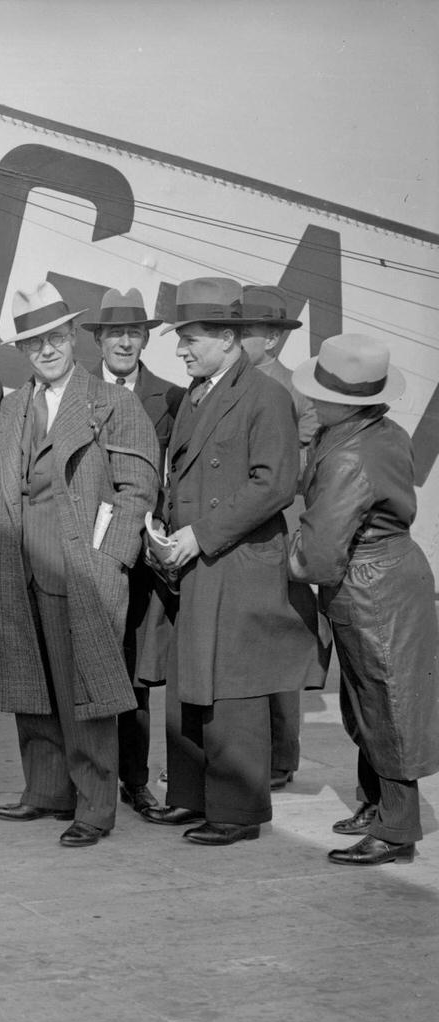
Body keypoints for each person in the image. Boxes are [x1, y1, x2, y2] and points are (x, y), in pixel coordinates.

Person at [0, 281, 158, 848]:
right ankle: (47, 792)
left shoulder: (113, 403)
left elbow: (139, 488)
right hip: (20, 562)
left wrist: (110, 559)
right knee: (32, 684)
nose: (47, 350)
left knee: (87, 690)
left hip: (80, 567)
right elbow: (2, 493)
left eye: (55, 337)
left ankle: (96, 806)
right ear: (23, 352)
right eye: (35, 343)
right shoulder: (11, 408)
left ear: (73, 337)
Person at [144, 277, 323, 845]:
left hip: (237, 559)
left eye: (190, 338)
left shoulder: (265, 396)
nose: (180, 349)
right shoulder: (199, 391)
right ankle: (193, 797)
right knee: (191, 681)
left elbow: (274, 485)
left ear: (227, 337)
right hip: (197, 558)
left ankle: (239, 813)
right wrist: (167, 532)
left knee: (234, 687)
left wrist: (200, 534)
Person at [287, 334, 438, 866]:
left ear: (340, 402)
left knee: (386, 702)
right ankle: (377, 803)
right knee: (368, 698)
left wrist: (280, 557)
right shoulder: (382, 429)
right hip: (393, 573)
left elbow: (322, 551)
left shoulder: (348, 453)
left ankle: (397, 829)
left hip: (370, 584)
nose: (310, 399)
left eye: (318, 393)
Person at [80, 287, 184, 817]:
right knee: (87, 669)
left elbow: (175, 475)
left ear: (145, 338)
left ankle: (135, 780)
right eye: (114, 332)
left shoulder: (170, 396)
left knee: (136, 676)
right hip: (83, 554)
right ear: (97, 339)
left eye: (134, 332)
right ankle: (83, 780)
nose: (124, 341)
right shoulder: (74, 391)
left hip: (139, 558)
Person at [239, 283, 319, 791]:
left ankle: (280, 759)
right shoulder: (232, 384)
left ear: (270, 339)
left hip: (279, 532)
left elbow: (306, 460)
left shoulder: (293, 391)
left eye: (243, 330)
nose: (235, 337)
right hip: (245, 534)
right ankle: (253, 755)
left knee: (278, 646)